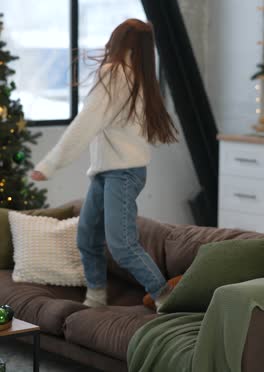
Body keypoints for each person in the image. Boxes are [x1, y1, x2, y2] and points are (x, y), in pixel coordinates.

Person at [31, 18, 178, 309]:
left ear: (119, 42)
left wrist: (50, 164)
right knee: (87, 237)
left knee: (122, 245)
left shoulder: (115, 74)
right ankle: (96, 297)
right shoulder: (137, 77)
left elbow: (85, 124)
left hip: (121, 174)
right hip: (111, 172)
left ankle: (166, 297)